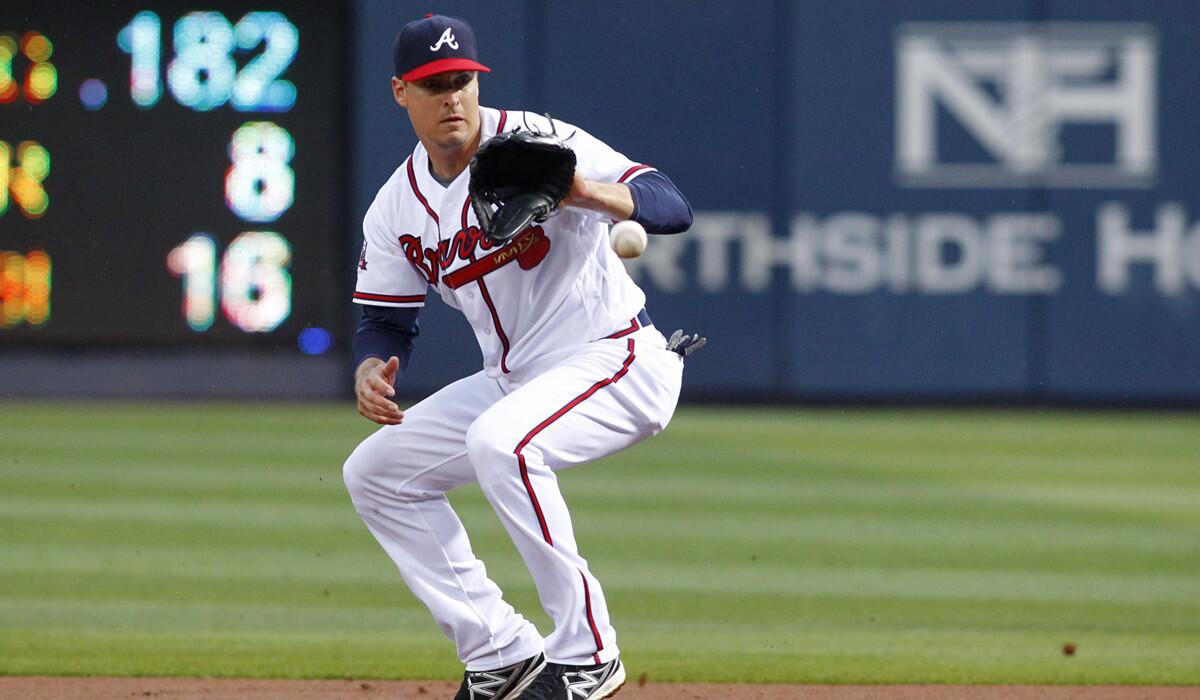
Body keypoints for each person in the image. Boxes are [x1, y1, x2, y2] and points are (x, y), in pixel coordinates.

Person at [342, 13, 695, 700]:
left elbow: (669, 202)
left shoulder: (540, 143)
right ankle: (499, 652)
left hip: (615, 358)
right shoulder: (395, 208)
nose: (451, 97)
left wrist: (588, 194)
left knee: (500, 444)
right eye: (433, 84)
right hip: (518, 378)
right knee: (376, 472)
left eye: (462, 81)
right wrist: (369, 366)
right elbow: (385, 320)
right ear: (400, 94)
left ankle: (589, 654)